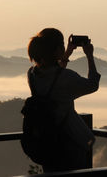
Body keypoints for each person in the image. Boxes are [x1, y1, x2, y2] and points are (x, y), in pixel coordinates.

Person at [27, 28, 100, 172]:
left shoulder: (32, 74)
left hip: (46, 141)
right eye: (61, 45)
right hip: (69, 141)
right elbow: (92, 85)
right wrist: (90, 56)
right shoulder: (67, 77)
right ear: (56, 50)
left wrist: (66, 53)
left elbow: (53, 74)